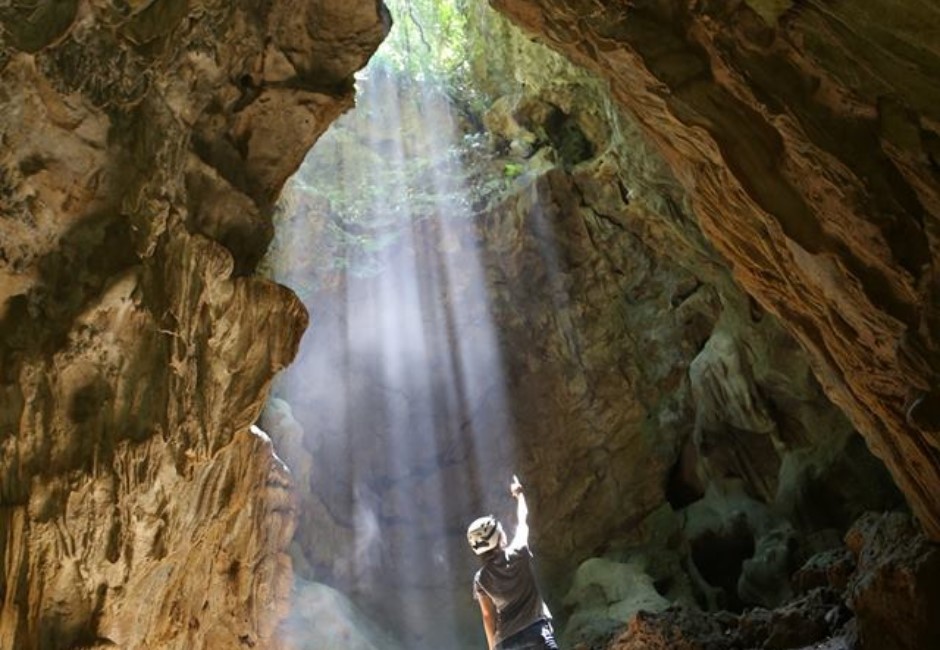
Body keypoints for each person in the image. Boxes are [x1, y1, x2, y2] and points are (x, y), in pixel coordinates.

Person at [467, 476, 558, 650]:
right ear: (499, 537)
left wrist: (493, 648)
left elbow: (488, 616)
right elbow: (523, 518)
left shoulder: (480, 579)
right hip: (536, 631)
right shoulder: (519, 550)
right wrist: (519, 494)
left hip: (506, 642)